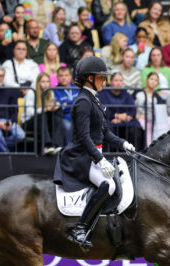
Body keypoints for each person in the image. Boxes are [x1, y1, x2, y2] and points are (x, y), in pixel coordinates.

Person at [53, 56, 135, 250]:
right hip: (81, 157)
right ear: (90, 78)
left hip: (93, 154)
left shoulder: (93, 99)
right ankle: (80, 228)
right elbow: (83, 136)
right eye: (101, 77)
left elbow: (104, 133)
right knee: (109, 185)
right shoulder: (83, 101)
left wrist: (123, 144)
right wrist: (99, 160)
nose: (104, 81)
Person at [0, 66, 25, 152]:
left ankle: (2, 146)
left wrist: (11, 121)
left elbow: (15, 110)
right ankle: (6, 152)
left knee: (21, 135)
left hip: (8, 120)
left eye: (1, 76)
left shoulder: (10, 91)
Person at [98, 72, 144, 149]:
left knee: (136, 131)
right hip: (110, 121)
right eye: (116, 80)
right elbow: (103, 110)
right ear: (111, 82)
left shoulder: (126, 94)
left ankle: (135, 155)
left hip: (126, 122)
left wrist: (123, 118)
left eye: (120, 81)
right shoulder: (103, 94)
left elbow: (133, 110)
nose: (119, 83)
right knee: (108, 131)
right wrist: (116, 116)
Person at [21, 72, 64, 154]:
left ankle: (57, 145)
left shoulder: (50, 92)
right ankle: (47, 145)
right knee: (42, 116)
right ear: (38, 82)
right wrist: (44, 109)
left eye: (47, 81)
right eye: (43, 82)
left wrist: (53, 108)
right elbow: (29, 112)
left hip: (43, 120)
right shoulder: (32, 92)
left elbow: (50, 107)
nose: (46, 84)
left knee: (56, 116)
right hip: (29, 122)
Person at [135, 71, 170, 145]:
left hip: (153, 118)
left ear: (157, 83)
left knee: (168, 120)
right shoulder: (137, 92)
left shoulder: (157, 96)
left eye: (156, 80)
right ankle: (148, 148)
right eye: (151, 79)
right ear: (147, 79)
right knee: (146, 125)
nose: (153, 82)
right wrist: (136, 115)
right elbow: (132, 105)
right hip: (140, 117)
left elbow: (160, 111)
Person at [53, 66, 78, 143]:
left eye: (66, 75)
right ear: (57, 77)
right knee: (68, 126)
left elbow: (81, 103)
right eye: (61, 76)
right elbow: (60, 107)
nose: (63, 78)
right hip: (65, 117)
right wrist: (73, 103)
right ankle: (70, 148)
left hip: (78, 115)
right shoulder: (55, 90)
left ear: (70, 76)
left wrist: (67, 104)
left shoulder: (77, 88)